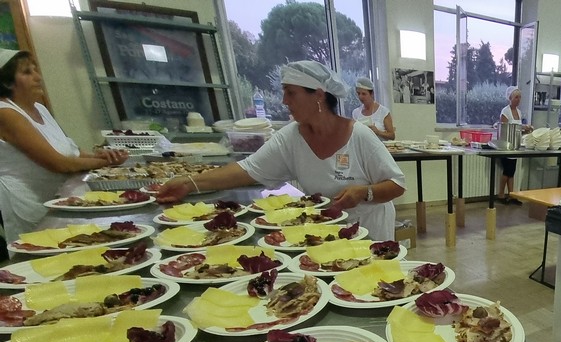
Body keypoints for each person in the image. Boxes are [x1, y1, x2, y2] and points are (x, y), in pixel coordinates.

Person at [156, 60, 405, 241]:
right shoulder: (291, 137)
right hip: (326, 230)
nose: (285, 100)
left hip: (369, 230)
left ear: (318, 95)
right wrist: (189, 183)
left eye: (291, 93)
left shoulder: (358, 135)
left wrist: (364, 192)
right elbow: (247, 170)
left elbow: (396, 184)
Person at [0, 49, 130, 241]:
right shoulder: (6, 113)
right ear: (7, 82)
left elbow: (72, 151)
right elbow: (59, 163)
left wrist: (101, 156)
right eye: (27, 72)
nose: (38, 77)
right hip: (31, 205)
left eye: (35, 70)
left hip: (58, 198)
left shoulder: (40, 109)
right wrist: (104, 163)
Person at [497, 86, 533, 205]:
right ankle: (501, 194)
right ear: (510, 98)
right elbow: (504, 129)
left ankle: (511, 195)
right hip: (506, 146)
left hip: (515, 145)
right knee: (507, 171)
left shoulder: (519, 112)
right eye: (516, 97)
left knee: (511, 172)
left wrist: (525, 130)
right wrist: (521, 128)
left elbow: (518, 130)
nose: (518, 99)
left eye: (520, 97)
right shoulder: (505, 112)